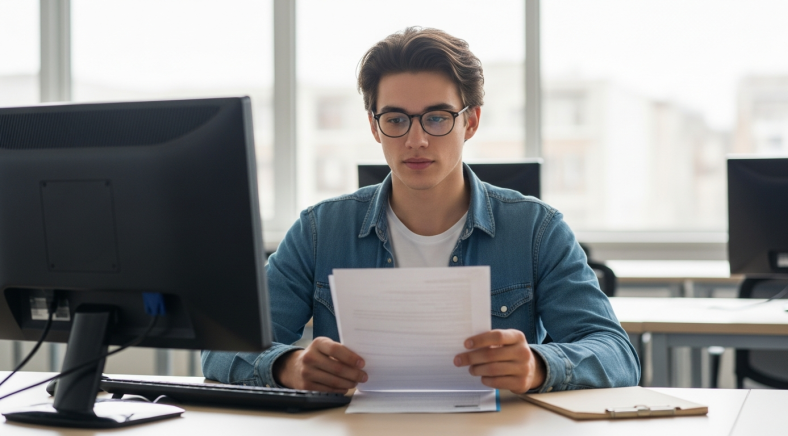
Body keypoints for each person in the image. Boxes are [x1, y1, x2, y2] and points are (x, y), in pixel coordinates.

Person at [202, 27, 640, 394]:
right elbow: (221, 349)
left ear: (470, 121)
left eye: (436, 117)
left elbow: (616, 354)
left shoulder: (536, 229)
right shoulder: (319, 230)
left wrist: (539, 366)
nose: (416, 140)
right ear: (375, 126)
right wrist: (288, 367)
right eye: (395, 119)